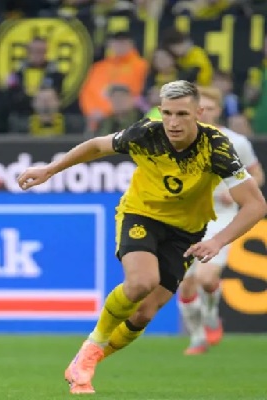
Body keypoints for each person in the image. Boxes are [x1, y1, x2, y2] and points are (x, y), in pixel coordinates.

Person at [16, 80, 267, 395]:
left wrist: (217, 241)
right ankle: (91, 346)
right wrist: (50, 170)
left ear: (199, 113)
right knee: (141, 282)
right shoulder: (147, 133)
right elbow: (97, 146)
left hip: (185, 232)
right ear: (160, 111)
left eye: (182, 114)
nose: (173, 123)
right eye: (167, 113)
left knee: (145, 312)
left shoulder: (216, 146)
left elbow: (256, 205)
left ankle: (86, 362)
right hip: (141, 214)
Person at [177, 86, 265, 355]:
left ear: (218, 111)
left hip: (220, 214)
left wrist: (234, 190)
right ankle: (197, 336)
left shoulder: (236, 142)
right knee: (185, 284)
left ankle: (211, 314)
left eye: (210, 108)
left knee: (206, 277)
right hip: (185, 217)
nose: (204, 113)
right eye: (199, 108)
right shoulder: (178, 140)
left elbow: (257, 174)